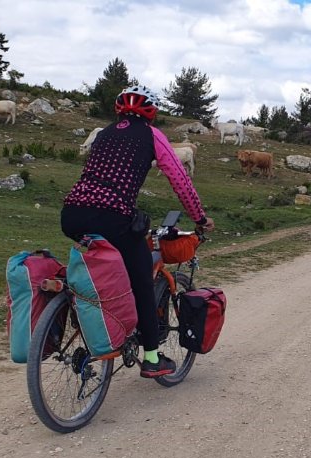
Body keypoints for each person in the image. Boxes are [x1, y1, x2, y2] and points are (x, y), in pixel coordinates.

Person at [60, 85, 214, 378]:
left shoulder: (103, 134)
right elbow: (180, 181)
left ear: (119, 110)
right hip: (114, 216)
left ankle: (96, 327)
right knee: (142, 278)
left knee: (104, 271)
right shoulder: (151, 134)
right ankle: (153, 357)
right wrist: (200, 218)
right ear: (151, 113)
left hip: (72, 214)